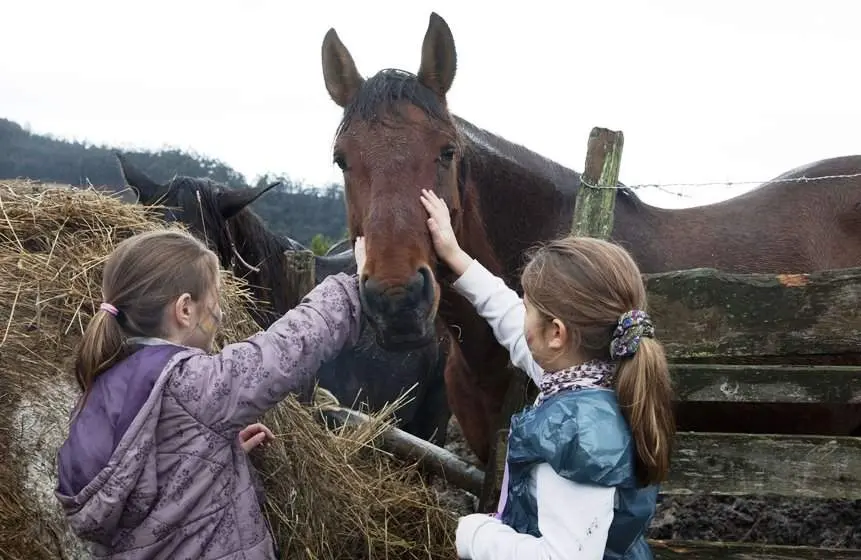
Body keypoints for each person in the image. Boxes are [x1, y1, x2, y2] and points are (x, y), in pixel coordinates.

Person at [55, 229, 367, 559]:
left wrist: (208, 454)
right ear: (185, 310)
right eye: (215, 300)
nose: (220, 315)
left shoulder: (102, 389)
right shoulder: (192, 382)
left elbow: (149, 476)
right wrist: (354, 287)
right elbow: (288, 349)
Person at [420, 189, 675, 560]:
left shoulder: (579, 433)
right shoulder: (596, 380)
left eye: (529, 310)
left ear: (557, 333)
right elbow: (507, 317)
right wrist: (455, 256)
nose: (520, 317)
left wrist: (474, 534)